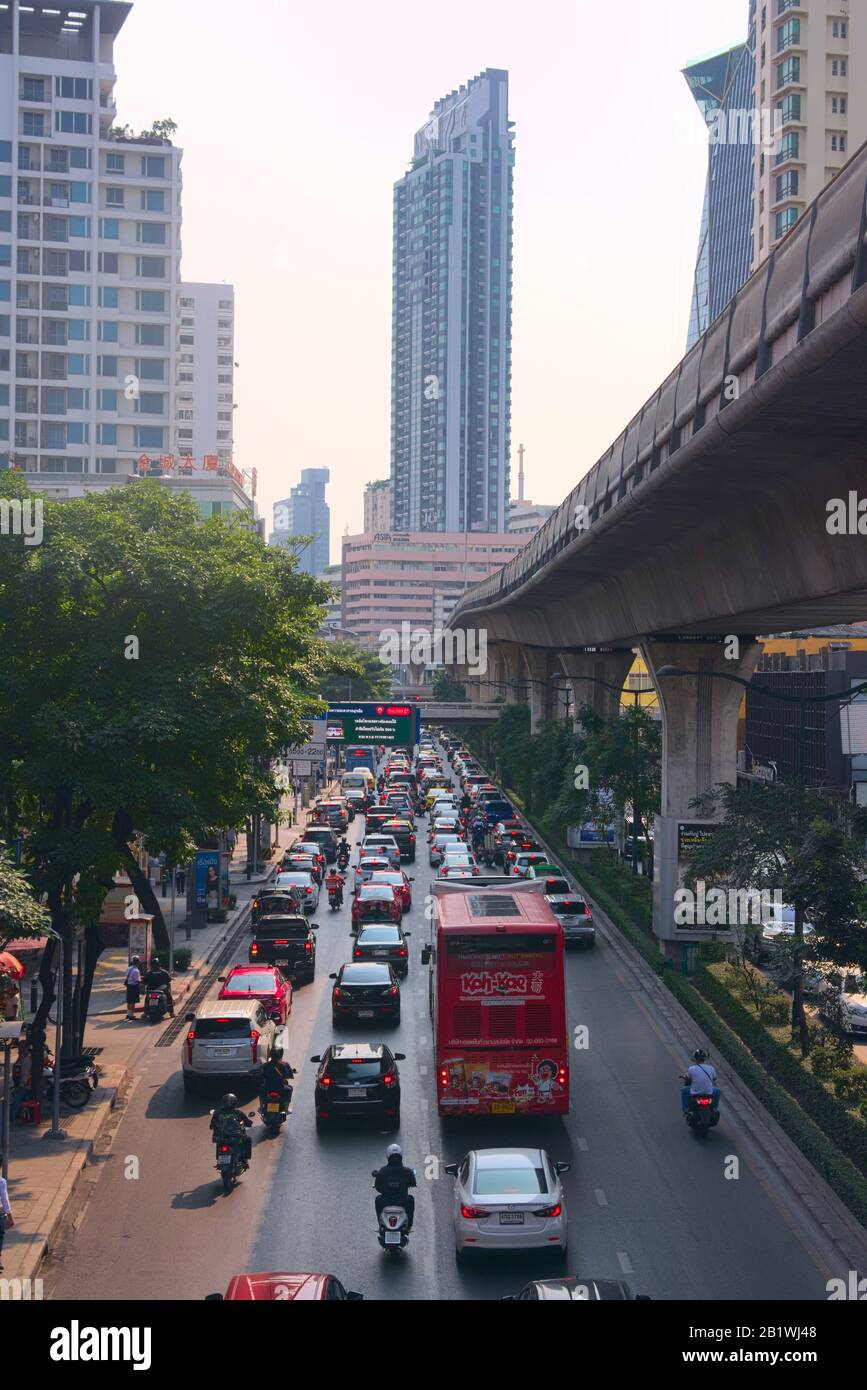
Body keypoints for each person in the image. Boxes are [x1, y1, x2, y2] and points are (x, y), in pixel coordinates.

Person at [373, 1143, 417, 1230]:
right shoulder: (407, 1171)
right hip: (403, 1202)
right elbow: (413, 1183)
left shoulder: (383, 1171)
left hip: (385, 1202)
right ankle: (409, 1225)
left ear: (388, 1156)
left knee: (377, 1199)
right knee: (411, 1199)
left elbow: (378, 1187)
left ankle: (380, 1224)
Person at [210, 1093, 253, 1168]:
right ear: (235, 1103)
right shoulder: (238, 1113)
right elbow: (248, 1122)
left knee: (219, 1142)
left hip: (220, 1138)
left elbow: (211, 1126)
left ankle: (218, 1159)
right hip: (234, 1138)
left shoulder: (217, 1113)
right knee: (247, 1139)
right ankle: (244, 1160)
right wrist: (249, 1123)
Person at [681, 1049, 720, 1113]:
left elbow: (688, 1078)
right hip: (708, 1092)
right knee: (718, 1091)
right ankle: (715, 1108)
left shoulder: (691, 1069)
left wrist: (684, 1077)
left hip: (696, 1092)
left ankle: (686, 1110)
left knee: (684, 1090)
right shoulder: (711, 1068)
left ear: (695, 1059)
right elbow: (714, 1078)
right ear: (705, 1059)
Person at [0, 1155, 13, 1272]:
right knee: (0, 1236)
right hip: (0, 1215)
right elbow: (4, 1200)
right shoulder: (1, 1181)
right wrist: (10, 1215)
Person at [124, 956, 142, 1021]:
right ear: (138, 963)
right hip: (134, 987)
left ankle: (128, 1014)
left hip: (129, 986)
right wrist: (141, 981)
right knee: (132, 1002)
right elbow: (137, 980)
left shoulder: (129, 968)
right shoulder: (136, 971)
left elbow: (126, 976)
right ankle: (131, 1016)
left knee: (129, 1001)